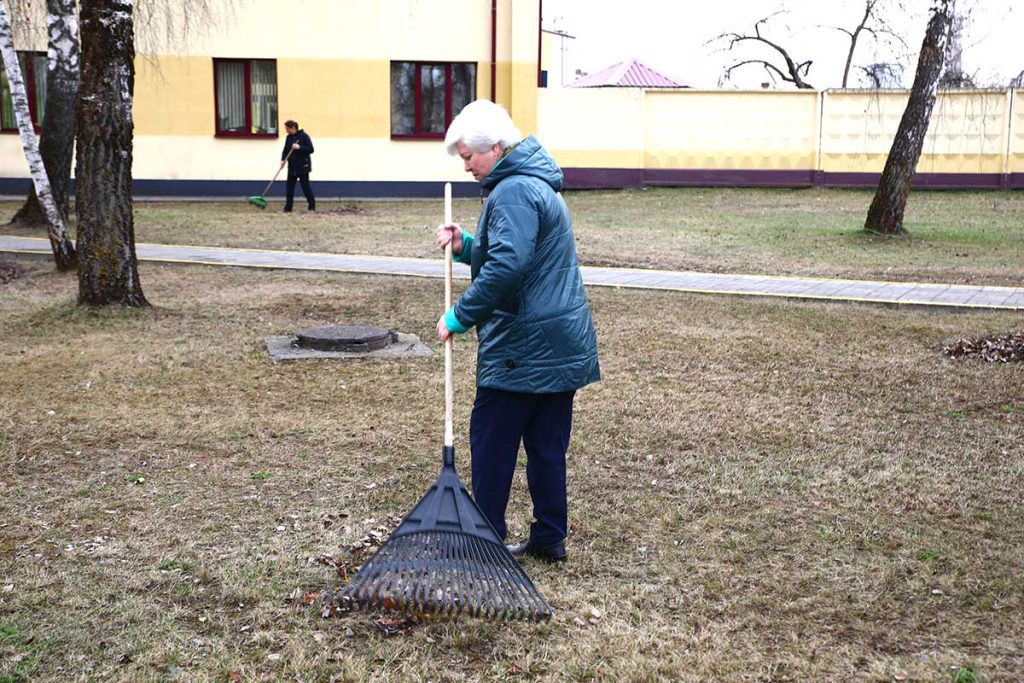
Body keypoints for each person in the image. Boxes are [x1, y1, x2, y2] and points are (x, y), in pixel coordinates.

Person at [434, 99, 600, 563]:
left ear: (497, 148)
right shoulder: (533, 185)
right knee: (547, 447)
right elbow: (519, 254)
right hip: (559, 342)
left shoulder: (510, 192)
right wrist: (468, 245)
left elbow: (509, 266)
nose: (466, 166)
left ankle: (485, 543)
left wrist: (459, 315)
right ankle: (550, 536)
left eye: (469, 156)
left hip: (522, 347)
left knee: (492, 445)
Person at [280, 120, 315, 213]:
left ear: (293, 128)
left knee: (305, 187)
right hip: (292, 166)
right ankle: (288, 208)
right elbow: (285, 150)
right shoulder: (288, 138)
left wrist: (299, 147)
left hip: (303, 166)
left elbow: (311, 149)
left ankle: (311, 206)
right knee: (289, 188)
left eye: (287, 129)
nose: (286, 131)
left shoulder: (304, 136)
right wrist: (283, 160)